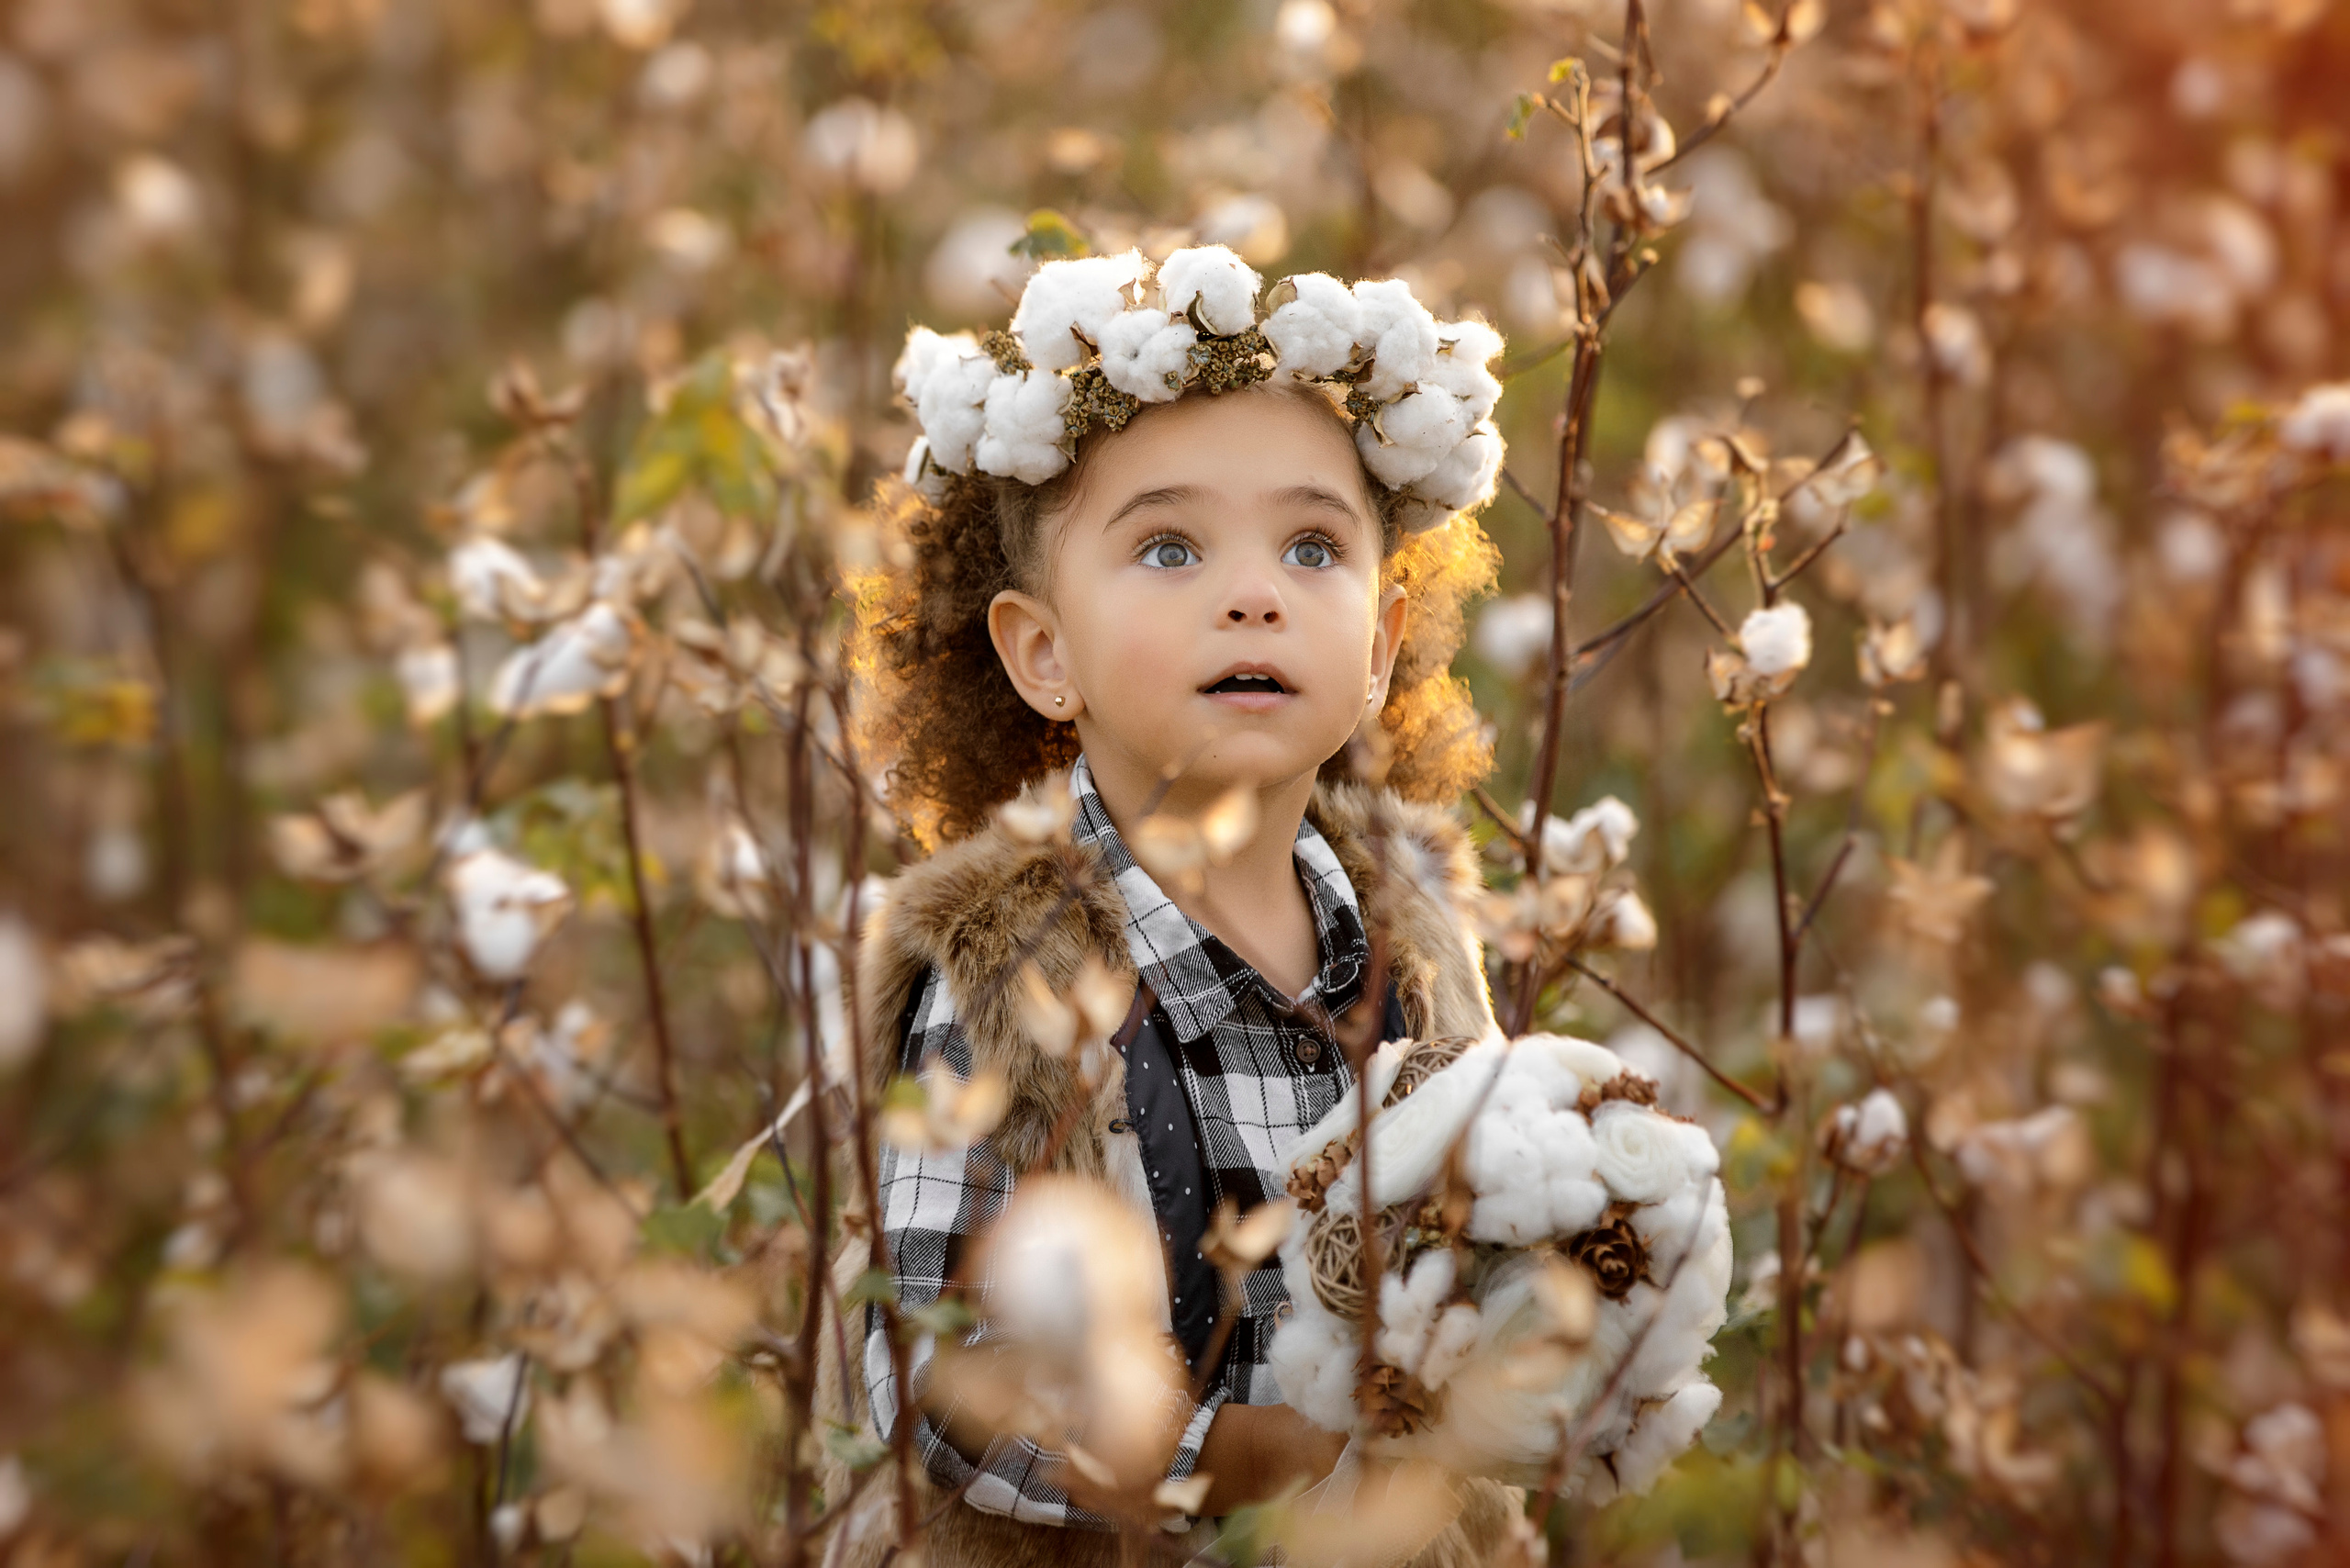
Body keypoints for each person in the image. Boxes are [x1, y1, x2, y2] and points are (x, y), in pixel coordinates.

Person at [822, 246, 1515, 1568]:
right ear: (1044, 655)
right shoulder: (1003, 972)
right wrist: (1210, 1460)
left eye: (1314, 547)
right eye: (1170, 547)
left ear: (1376, 650)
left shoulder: (1414, 949)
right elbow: (937, 1367)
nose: (1252, 593)